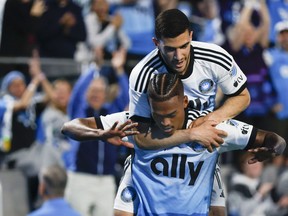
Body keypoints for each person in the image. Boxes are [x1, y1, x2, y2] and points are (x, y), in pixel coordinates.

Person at [62, 73, 286, 215]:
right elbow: (70, 126)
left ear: (184, 101)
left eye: (171, 113)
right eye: (158, 114)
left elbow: (273, 139)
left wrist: (273, 149)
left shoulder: (210, 127)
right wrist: (100, 133)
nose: (165, 122)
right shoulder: (136, 124)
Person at [63, 51, 129, 216]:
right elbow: (77, 92)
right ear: (86, 93)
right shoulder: (78, 111)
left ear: (105, 94)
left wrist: (119, 70)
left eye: (99, 90)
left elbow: (129, 99)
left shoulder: (111, 112)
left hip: (106, 180)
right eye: (92, 90)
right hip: (80, 177)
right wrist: (94, 68)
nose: (95, 93)